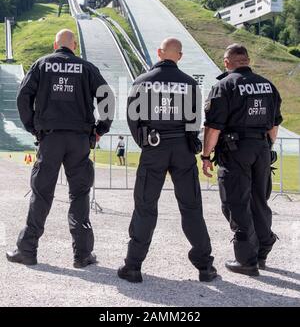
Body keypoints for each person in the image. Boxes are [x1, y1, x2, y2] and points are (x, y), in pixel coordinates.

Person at [6, 29, 115, 268]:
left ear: (55, 44)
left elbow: (23, 97)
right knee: (79, 194)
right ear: (74, 45)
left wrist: (33, 127)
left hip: (50, 138)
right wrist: (100, 129)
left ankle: (27, 250)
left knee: (42, 193)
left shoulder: (41, 64)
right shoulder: (86, 68)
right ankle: (82, 254)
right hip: (79, 140)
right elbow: (107, 97)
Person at [118, 38, 217, 283]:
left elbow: (133, 118)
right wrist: (190, 140)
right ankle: (205, 267)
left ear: (159, 53)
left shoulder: (143, 81)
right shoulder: (191, 84)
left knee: (145, 206)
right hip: (183, 148)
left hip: (154, 147)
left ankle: (133, 266)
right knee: (191, 207)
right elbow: (196, 121)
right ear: (179, 57)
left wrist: (145, 142)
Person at [202, 44, 282, 276]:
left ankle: (246, 259)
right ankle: (263, 247)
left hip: (235, 149)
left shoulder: (224, 86)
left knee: (235, 201)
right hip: (262, 148)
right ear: (247, 60)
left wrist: (206, 156)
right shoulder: (268, 85)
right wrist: (266, 147)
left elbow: (213, 127)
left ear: (227, 62)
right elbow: (274, 124)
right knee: (259, 198)